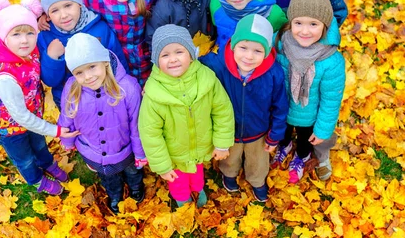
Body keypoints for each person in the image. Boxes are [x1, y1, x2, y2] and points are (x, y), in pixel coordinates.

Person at [0, 0, 78, 195]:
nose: (24, 40)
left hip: (33, 114)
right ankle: (35, 179)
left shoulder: (28, 51)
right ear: (3, 36)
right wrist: (56, 131)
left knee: (39, 144)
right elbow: (21, 117)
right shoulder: (4, 78)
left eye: (29, 32)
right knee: (24, 158)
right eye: (16, 34)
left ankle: (47, 163)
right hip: (10, 126)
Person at [138, 25, 235, 207]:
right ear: (156, 61)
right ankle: (183, 200)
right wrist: (163, 166)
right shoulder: (153, 94)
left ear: (191, 54)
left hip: (200, 148)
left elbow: (223, 110)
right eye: (165, 55)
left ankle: (198, 190)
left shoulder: (207, 79)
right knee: (178, 182)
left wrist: (222, 142)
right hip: (174, 155)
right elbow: (150, 133)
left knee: (197, 175)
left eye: (179, 52)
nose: (173, 59)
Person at [200, 14, 288, 202]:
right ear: (233, 46)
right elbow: (192, 67)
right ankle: (229, 174)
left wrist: (275, 136)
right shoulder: (218, 65)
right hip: (228, 130)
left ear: (266, 51)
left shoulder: (274, 73)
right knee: (230, 158)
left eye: (257, 51)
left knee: (258, 160)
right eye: (243, 48)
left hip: (258, 130)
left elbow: (280, 107)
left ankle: (257, 180)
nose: (248, 56)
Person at [58, 33, 146, 214]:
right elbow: (67, 116)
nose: (88, 76)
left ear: (105, 62)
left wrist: (140, 152)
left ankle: (136, 188)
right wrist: (67, 141)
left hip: (125, 150)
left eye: (92, 67)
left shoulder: (128, 88)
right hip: (94, 150)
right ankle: (115, 195)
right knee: (109, 178)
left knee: (132, 172)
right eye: (79, 72)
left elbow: (137, 124)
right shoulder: (72, 88)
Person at [273, 0, 346, 183]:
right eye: (298, 23)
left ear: (325, 26)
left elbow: (331, 100)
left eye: (313, 24)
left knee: (305, 140)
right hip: (282, 108)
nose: (304, 31)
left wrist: (323, 129)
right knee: (284, 132)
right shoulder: (280, 44)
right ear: (290, 22)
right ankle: (285, 145)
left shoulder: (331, 61)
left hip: (309, 116)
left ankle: (302, 155)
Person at [36, 0, 127, 109]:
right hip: (70, 103)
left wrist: (122, 89)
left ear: (79, 3)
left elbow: (118, 62)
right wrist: (52, 57)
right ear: (47, 15)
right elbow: (50, 81)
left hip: (106, 98)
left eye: (68, 5)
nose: (64, 15)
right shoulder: (46, 36)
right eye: (55, 10)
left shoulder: (99, 28)